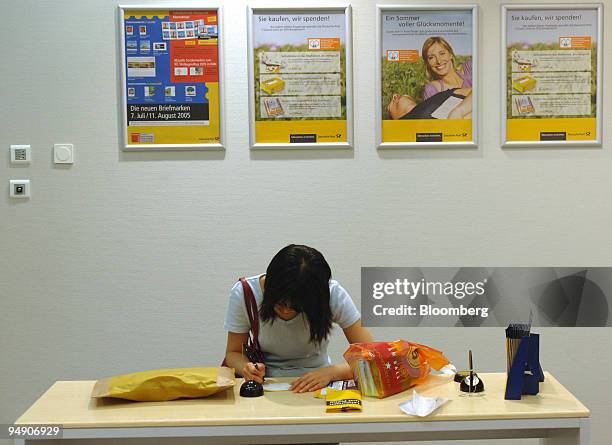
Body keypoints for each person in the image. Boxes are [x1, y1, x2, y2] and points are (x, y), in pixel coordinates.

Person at [223, 244, 373, 393]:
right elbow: (233, 353)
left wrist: (332, 372)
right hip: (267, 383)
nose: (286, 310)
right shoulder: (245, 294)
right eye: (280, 303)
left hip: (319, 381)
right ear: (269, 286)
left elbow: (372, 356)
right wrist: (248, 368)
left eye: (297, 307)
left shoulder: (331, 294)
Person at [387, 87, 472, 120]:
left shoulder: (440, 95)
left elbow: (478, 89)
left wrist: (460, 111)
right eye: (388, 107)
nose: (395, 95)